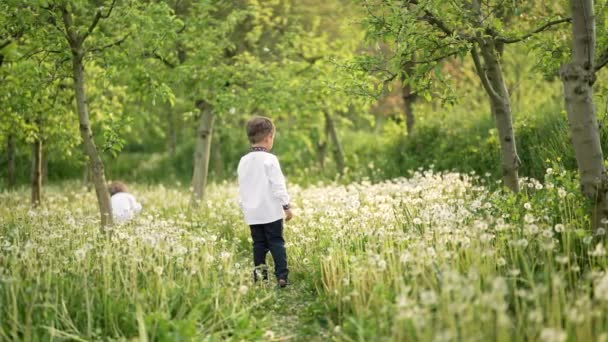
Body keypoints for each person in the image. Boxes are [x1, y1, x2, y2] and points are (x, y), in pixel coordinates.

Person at [237, 116, 293, 287]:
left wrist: (244, 207)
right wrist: (286, 206)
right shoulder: (270, 159)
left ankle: (261, 278)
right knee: (276, 242)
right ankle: (282, 276)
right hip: (270, 210)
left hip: (252, 212)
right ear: (269, 137)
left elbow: (242, 186)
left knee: (259, 244)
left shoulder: (243, 161)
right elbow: (278, 185)